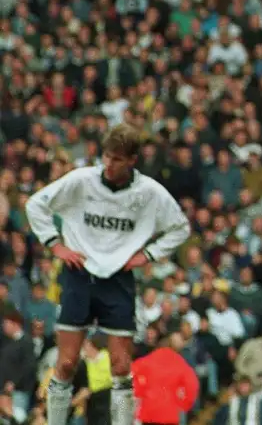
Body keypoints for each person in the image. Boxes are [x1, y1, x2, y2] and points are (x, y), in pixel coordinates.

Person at [25, 124, 191, 425]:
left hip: (117, 279)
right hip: (79, 273)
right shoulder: (82, 180)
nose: (109, 164)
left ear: (132, 160)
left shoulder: (149, 192)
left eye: (117, 159)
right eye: (106, 156)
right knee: (66, 363)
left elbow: (180, 227)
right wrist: (55, 244)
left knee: (121, 366)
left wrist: (148, 255)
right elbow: (36, 204)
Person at [132, 332, 200, 425]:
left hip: (148, 413)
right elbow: (192, 385)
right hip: (169, 414)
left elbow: (133, 376)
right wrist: (185, 404)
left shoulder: (146, 360)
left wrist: (141, 393)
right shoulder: (180, 363)